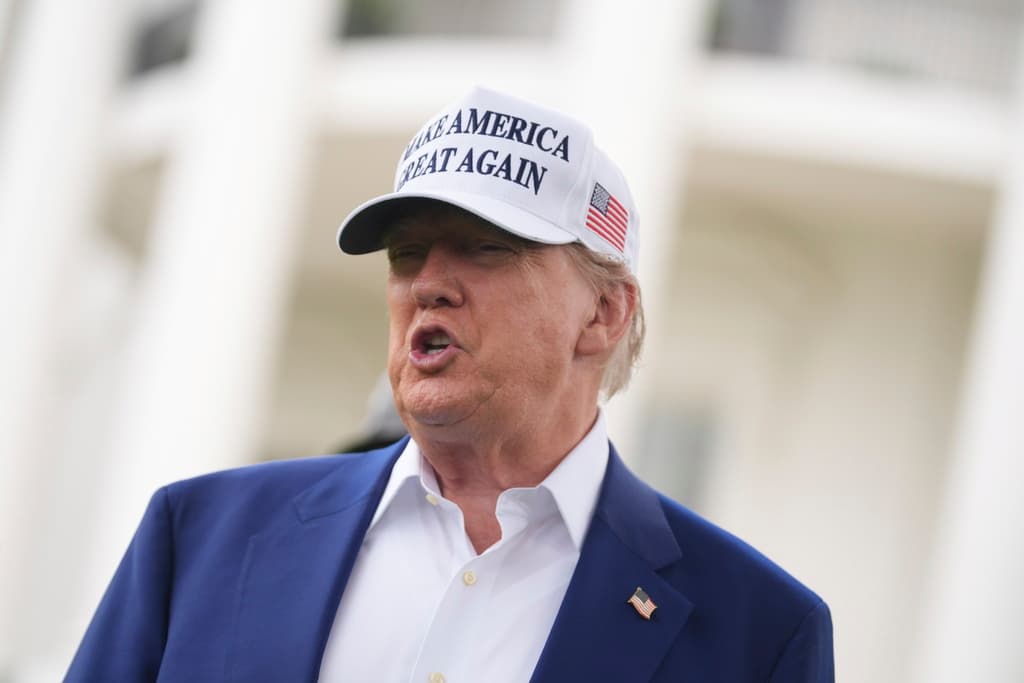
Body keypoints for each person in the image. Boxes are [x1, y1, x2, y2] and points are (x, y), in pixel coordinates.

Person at [67, 86, 834, 682]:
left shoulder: (758, 632)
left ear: (602, 312)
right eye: (406, 253)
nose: (428, 283)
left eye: (482, 247)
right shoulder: (199, 538)